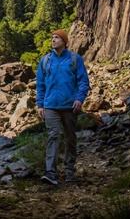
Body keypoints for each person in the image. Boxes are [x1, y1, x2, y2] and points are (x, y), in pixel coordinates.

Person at [36, 29, 90, 185]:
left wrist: (79, 99)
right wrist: (40, 105)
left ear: (64, 41)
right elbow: (40, 85)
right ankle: (51, 173)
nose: (53, 40)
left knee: (70, 138)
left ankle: (69, 171)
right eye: (52, 37)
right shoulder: (45, 61)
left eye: (57, 38)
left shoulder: (75, 59)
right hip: (51, 105)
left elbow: (83, 81)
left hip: (69, 106)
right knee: (53, 136)